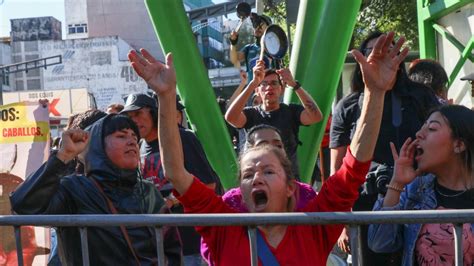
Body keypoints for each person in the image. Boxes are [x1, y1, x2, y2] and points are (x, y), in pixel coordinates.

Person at [128, 31, 408, 265]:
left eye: (268, 171)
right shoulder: (223, 228)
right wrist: (165, 96)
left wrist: (375, 92)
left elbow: (354, 168)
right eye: (248, 174)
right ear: (241, 189)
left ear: (290, 186)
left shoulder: (314, 226)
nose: (257, 178)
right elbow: (176, 173)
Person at [10, 114, 182, 265]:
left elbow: (171, 250)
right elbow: (23, 205)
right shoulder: (75, 189)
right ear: (98, 146)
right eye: (121, 136)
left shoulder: (149, 193)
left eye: (134, 138)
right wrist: (62, 156)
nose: (131, 141)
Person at [330, 31, 441, 265]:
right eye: (371, 50)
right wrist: (342, 223)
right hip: (366, 202)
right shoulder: (348, 106)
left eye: (387, 50)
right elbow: (337, 170)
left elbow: (440, 144)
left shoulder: (420, 96)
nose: (379, 55)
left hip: (417, 198)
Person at [121, 92, 220, 265]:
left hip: (191, 244)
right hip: (159, 247)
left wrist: (170, 201)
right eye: (129, 117)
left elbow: (208, 184)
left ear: (153, 112)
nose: (134, 121)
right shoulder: (139, 147)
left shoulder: (182, 137)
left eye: (138, 114)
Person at [368, 104, 474, 265]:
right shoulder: (416, 190)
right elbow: (379, 243)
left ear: (459, 145)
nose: (419, 134)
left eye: (432, 129)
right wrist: (396, 183)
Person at [225, 65, 323, 179]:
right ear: (257, 90)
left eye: (274, 83)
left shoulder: (291, 111)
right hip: (258, 181)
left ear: (281, 89)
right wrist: (252, 83)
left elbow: (315, 116)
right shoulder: (251, 114)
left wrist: (295, 85)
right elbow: (230, 117)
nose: (269, 87)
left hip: (288, 181)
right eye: (264, 84)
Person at [229, 13, 272, 80]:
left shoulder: (273, 47)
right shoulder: (249, 48)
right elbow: (234, 60)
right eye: (255, 25)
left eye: (261, 25)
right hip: (253, 89)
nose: (257, 28)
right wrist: (233, 43)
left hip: (269, 88)